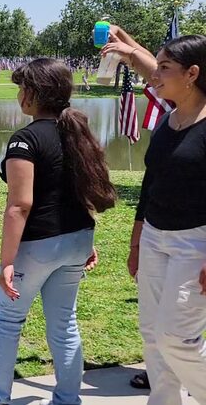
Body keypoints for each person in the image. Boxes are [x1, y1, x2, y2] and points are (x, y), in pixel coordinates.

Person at [0, 58, 115, 405]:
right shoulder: (78, 132)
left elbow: (20, 205)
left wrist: (6, 261)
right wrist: (82, 242)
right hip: (78, 239)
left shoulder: (26, 139)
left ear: (33, 93)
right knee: (64, 324)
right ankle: (67, 400)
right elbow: (83, 190)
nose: (18, 94)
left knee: (7, 321)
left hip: (38, 245)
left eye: (21, 87)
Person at [102, 27, 206, 405]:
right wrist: (136, 241)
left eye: (165, 68)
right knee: (152, 334)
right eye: (156, 66)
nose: (155, 76)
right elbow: (150, 186)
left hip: (195, 243)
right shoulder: (170, 116)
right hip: (155, 238)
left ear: (192, 74)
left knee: (177, 338)